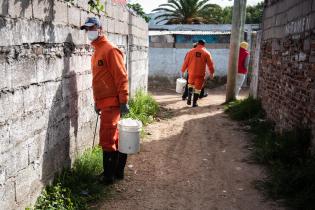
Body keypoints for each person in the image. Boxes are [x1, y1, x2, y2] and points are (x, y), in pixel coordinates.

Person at [81, 17, 129, 185]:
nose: (89, 32)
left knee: (108, 138)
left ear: (100, 28)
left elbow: (121, 77)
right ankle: (117, 172)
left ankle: (108, 177)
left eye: (91, 28)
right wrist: (96, 101)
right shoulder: (97, 51)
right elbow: (99, 80)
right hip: (104, 102)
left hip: (112, 103)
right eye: (86, 29)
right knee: (113, 138)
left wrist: (124, 101)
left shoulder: (110, 50)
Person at [181, 40, 215, 107]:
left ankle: (189, 96)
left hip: (191, 72)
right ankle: (194, 103)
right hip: (200, 73)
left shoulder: (190, 51)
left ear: (197, 44)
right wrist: (212, 73)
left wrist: (183, 70)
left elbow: (185, 62)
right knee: (198, 88)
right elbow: (210, 64)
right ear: (204, 44)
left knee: (190, 84)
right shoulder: (206, 52)